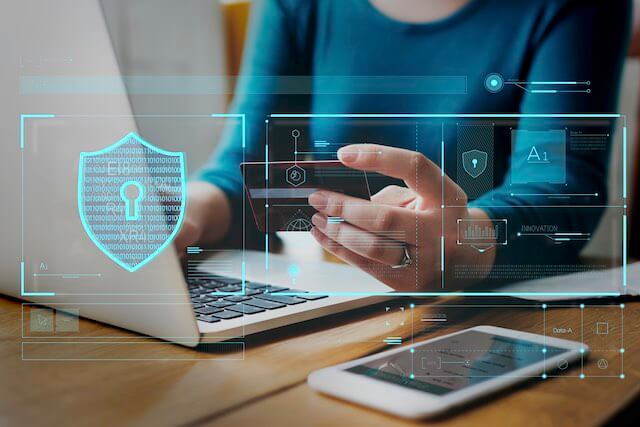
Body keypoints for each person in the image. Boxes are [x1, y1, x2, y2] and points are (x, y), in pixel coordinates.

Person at [175, 0, 632, 291]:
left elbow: (557, 190)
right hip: (325, 296)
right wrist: (180, 213)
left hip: (481, 318)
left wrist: (462, 243)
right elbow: (245, 173)